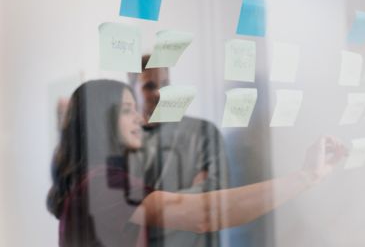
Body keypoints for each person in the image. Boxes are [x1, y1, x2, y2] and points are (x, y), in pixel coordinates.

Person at [47, 79, 347, 247]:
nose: (139, 117)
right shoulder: (102, 185)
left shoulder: (98, 181)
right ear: (103, 120)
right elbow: (205, 215)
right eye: (128, 110)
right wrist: (307, 176)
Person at [128, 55, 229, 247]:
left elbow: (217, 198)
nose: (159, 93)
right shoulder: (123, 144)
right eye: (149, 86)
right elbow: (124, 210)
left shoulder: (203, 133)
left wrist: (151, 207)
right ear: (131, 92)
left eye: (165, 84)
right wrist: (192, 196)